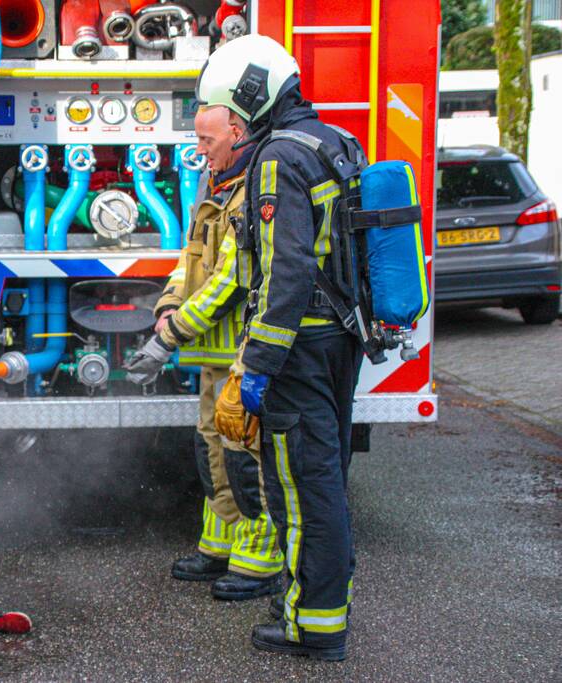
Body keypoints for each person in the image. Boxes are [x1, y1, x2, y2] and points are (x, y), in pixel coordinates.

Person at [202, 34, 367, 661]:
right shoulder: (332, 141)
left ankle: (314, 627)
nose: (231, 127)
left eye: (230, 112)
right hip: (339, 340)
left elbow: (285, 273)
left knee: (302, 490)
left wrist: (258, 365)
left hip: (298, 349)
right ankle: (313, 601)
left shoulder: (277, 159)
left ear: (251, 97)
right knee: (326, 480)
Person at [125, 101, 283, 601]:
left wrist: (168, 337)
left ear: (237, 132)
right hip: (214, 356)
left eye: (206, 141)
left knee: (246, 453)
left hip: (244, 353)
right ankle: (220, 547)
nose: (199, 151)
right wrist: (169, 303)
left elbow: (229, 282)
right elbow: (190, 260)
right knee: (212, 448)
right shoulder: (215, 186)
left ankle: (259, 562)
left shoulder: (252, 190)